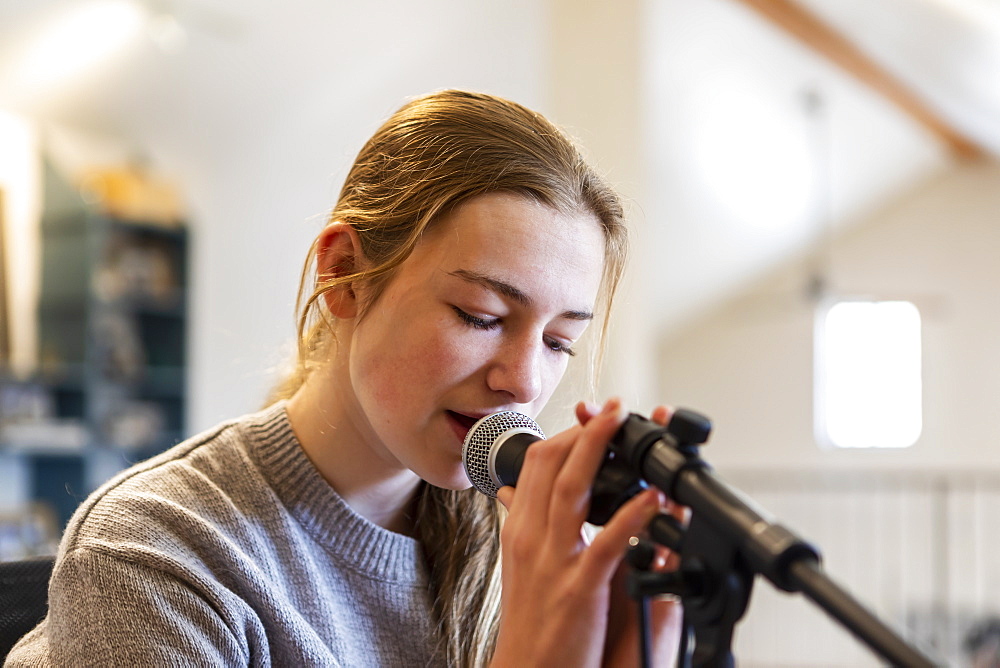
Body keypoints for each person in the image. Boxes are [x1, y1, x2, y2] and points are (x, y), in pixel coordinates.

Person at [6, 89, 682, 666]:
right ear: (342, 277)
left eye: (560, 341)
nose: (525, 382)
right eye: (480, 316)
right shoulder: (155, 554)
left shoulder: (522, 554)